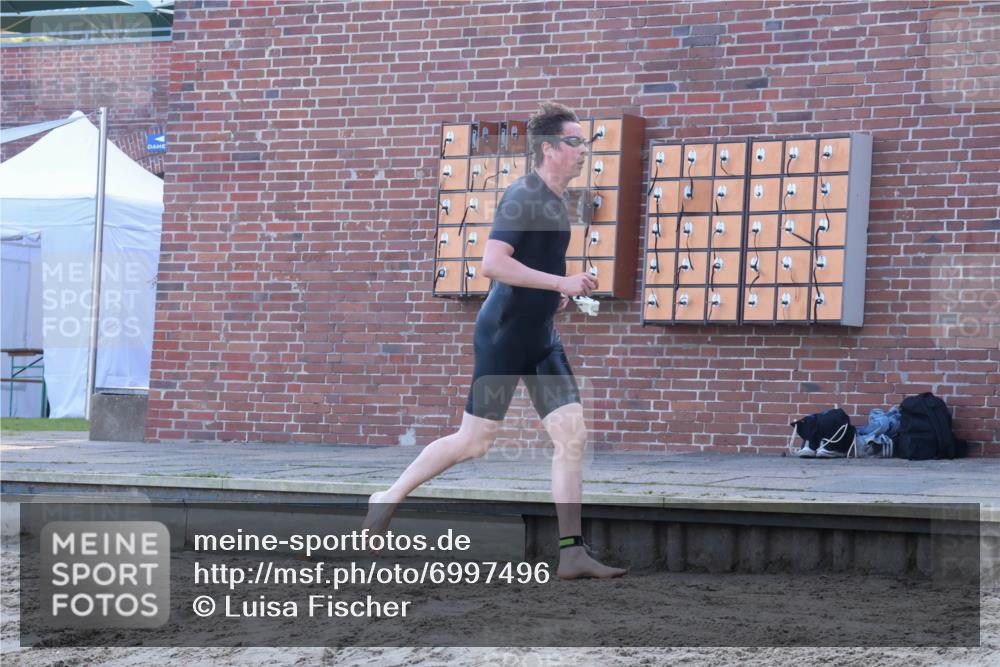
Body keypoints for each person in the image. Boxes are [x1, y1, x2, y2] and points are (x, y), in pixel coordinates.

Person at [363, 102, 625, 579]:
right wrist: (558, 284)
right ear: (548, 149)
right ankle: (387, 496)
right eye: (574, 141)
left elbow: (531, 266)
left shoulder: (554, 198)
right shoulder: (524, 195)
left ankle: (572, 553)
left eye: (585, 142)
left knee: (572, 435)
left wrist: (558, 289)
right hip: (504, 334)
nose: (584, 150)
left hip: (541, 335)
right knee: (474, 441)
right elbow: (493, 264)